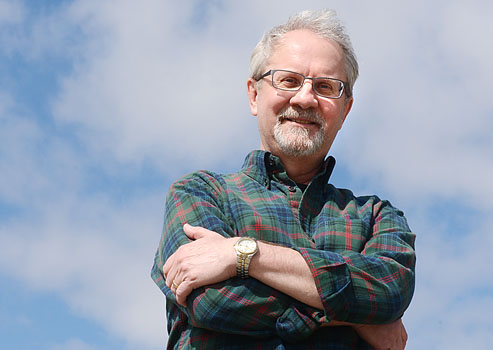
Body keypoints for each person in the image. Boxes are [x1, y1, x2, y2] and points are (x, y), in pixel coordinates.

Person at [151, 9, 416, 349]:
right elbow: (213, 301)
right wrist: (354, 314)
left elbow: (389, 292)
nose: (306, 98)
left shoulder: (376, 217)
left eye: (325, 87)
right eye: (288, 80)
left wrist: (242, 254)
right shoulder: (200, 193)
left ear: (346, 109)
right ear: (254, 95)